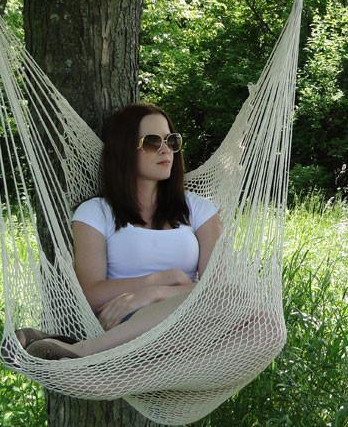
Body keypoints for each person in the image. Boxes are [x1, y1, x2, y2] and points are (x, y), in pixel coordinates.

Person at [17, 102, 222, 360]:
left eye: (171, 141)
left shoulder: (199, 209)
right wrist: (163, 278)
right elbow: (91, 294)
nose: (165, 149)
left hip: (195, 318)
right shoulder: (96, 213)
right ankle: (84, 353)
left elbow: (218, 290)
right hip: (128, 325)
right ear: (124, 150)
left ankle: (81, 352)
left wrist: (153, 293)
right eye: (152, 142)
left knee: (262, 320)